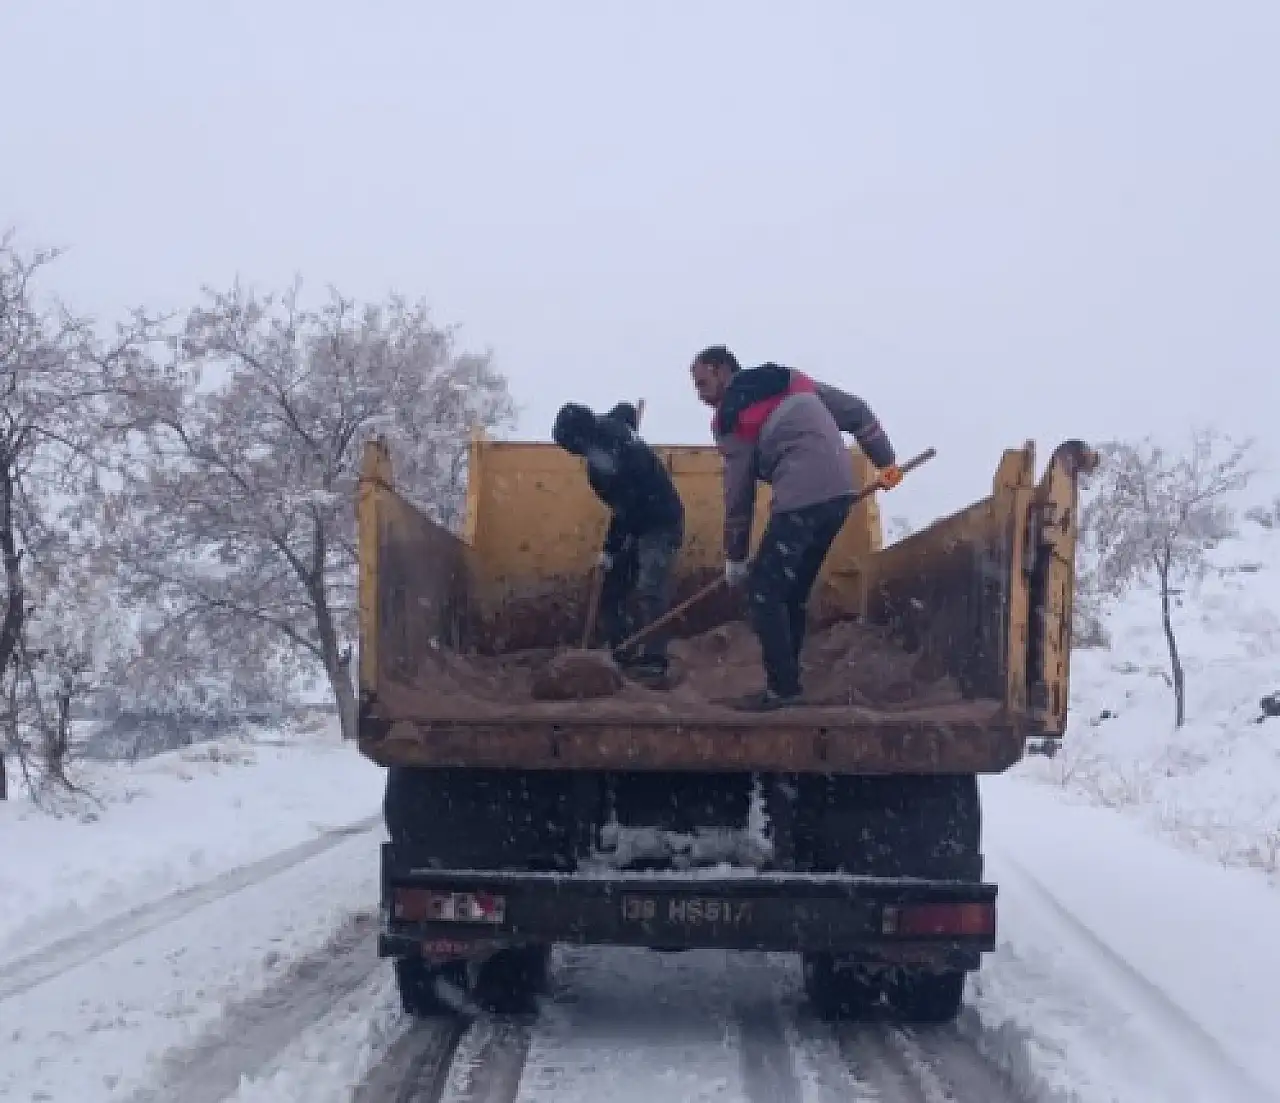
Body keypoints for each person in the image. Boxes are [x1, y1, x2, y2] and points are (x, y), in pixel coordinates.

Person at [689, 345, 903, 711]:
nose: (700, 395)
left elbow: (738, 492)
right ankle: (790, 681)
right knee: (792, 592)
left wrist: (736, 557)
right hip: (840, 495)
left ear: (723, 370)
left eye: (703, 383)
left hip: (802, 497)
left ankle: (783, 690)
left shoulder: (731, 415)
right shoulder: (791, 381)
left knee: (763, 592)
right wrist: (886, 461)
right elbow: (857, 413)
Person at [552, 400, 684, 682]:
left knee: (650, 587)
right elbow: (625, 409)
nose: (572, 452)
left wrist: (611, 548)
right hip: (634, 524)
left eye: (570, 445)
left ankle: (654, 661)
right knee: (612, 591)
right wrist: (610, 552)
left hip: (661, 522)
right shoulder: (602, 448)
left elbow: (629, 502)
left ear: (580, 435)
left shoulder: (620, 445)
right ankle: (622, 655)